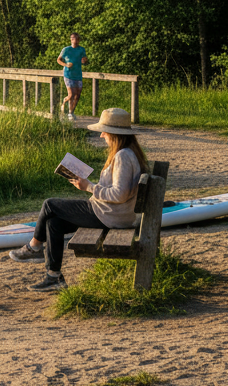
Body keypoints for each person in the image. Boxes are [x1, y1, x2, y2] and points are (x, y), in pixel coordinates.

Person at [8, 108, 147, 291]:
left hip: (108, 215)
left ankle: (34, 247)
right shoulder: (129, 153)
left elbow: (119, 195)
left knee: (49, 204)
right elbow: (120, 191)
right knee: (54, 223)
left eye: (103, 131)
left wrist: (88, 186)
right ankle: (53, 277)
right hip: (113, 213)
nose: (101, 136)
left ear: (114, 134)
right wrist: (90, 185)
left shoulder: (122, 156)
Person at [59, 33, 89, 118]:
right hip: (68, 74)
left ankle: (71, 112)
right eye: (73, 39)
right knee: (71, 94)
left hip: (78, 75)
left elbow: (85, 61)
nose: (75, 41)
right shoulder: (66, 50)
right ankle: (65, 101)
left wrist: (84, 61)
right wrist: (66, 65)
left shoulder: (82, 50)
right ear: (71, 39)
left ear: (79, 40)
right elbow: (58, 60)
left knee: (77, 95)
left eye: (77, 39)